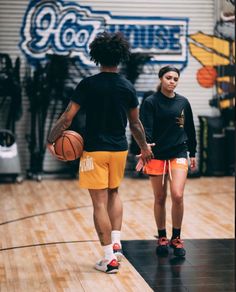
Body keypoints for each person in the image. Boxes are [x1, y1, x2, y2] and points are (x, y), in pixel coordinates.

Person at [47, 31, 153, 273]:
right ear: (121, 56)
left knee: (98, 204)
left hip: (94, 151)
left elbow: (67, 118)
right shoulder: (127, 86)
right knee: (114, 193)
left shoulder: (88, 84)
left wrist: (51, 140)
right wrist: (145, 147)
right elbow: (136, 124)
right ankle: (116, 244)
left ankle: (109, 259)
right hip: (118, 150)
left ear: (96, 55)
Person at [136, 65, 197, 257]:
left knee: (177, 195)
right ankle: (162, 236)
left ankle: (176, 237)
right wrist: (145, 148)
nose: (172, 81)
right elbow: (145, 128)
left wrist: (193, 152)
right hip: (156, 154)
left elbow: (190, 129)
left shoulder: (183, 102)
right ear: (161, 78)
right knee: (160, 197)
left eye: (175, 79)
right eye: (168, 78)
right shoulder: (150, 102)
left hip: (179, 151)